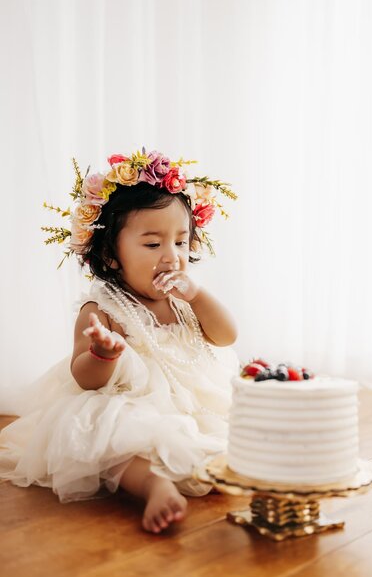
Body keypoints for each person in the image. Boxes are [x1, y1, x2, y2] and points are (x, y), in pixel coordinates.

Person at [0, 149, 238, 534]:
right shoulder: (103, 309)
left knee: (227, 432)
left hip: (192, 402)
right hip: (126, 400)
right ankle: (151, 485)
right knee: (104, 431)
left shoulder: (186, 299)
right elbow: (86, 380)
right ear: (111, 254)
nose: (171, 257)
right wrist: (102, 353)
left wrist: (197, 295)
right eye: (152, 244)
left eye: (180, 242)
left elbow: (226, 336)